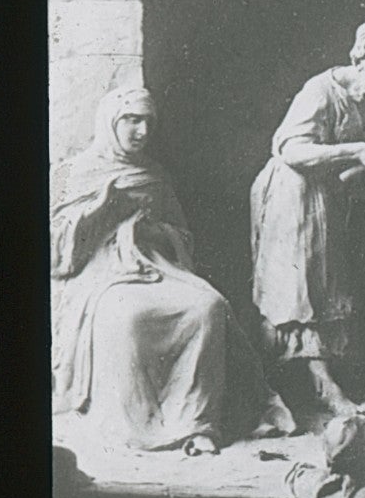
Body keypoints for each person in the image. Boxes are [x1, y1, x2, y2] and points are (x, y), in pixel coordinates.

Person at [52, 87, 287, 453]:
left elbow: (183, 236)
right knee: (127, 318)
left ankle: (198, 423)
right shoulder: (75, 172)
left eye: (148, 122)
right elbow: (53, 249)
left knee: (207, 307)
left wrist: (149, 231)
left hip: (159, 268)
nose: (142, 131)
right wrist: (97, 213)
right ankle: (134, 425)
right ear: (110, 122)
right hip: (103, 275)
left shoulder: (155, 175)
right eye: (132, 120)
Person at [250, 18, 365, 416]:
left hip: (329, 195)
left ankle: (323, 376)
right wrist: (356, 152)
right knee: (298, 287)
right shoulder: (321, 91)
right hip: (293, 193)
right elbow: (289, 150)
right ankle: (322, 386)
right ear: (359, 58)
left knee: (330, 284)